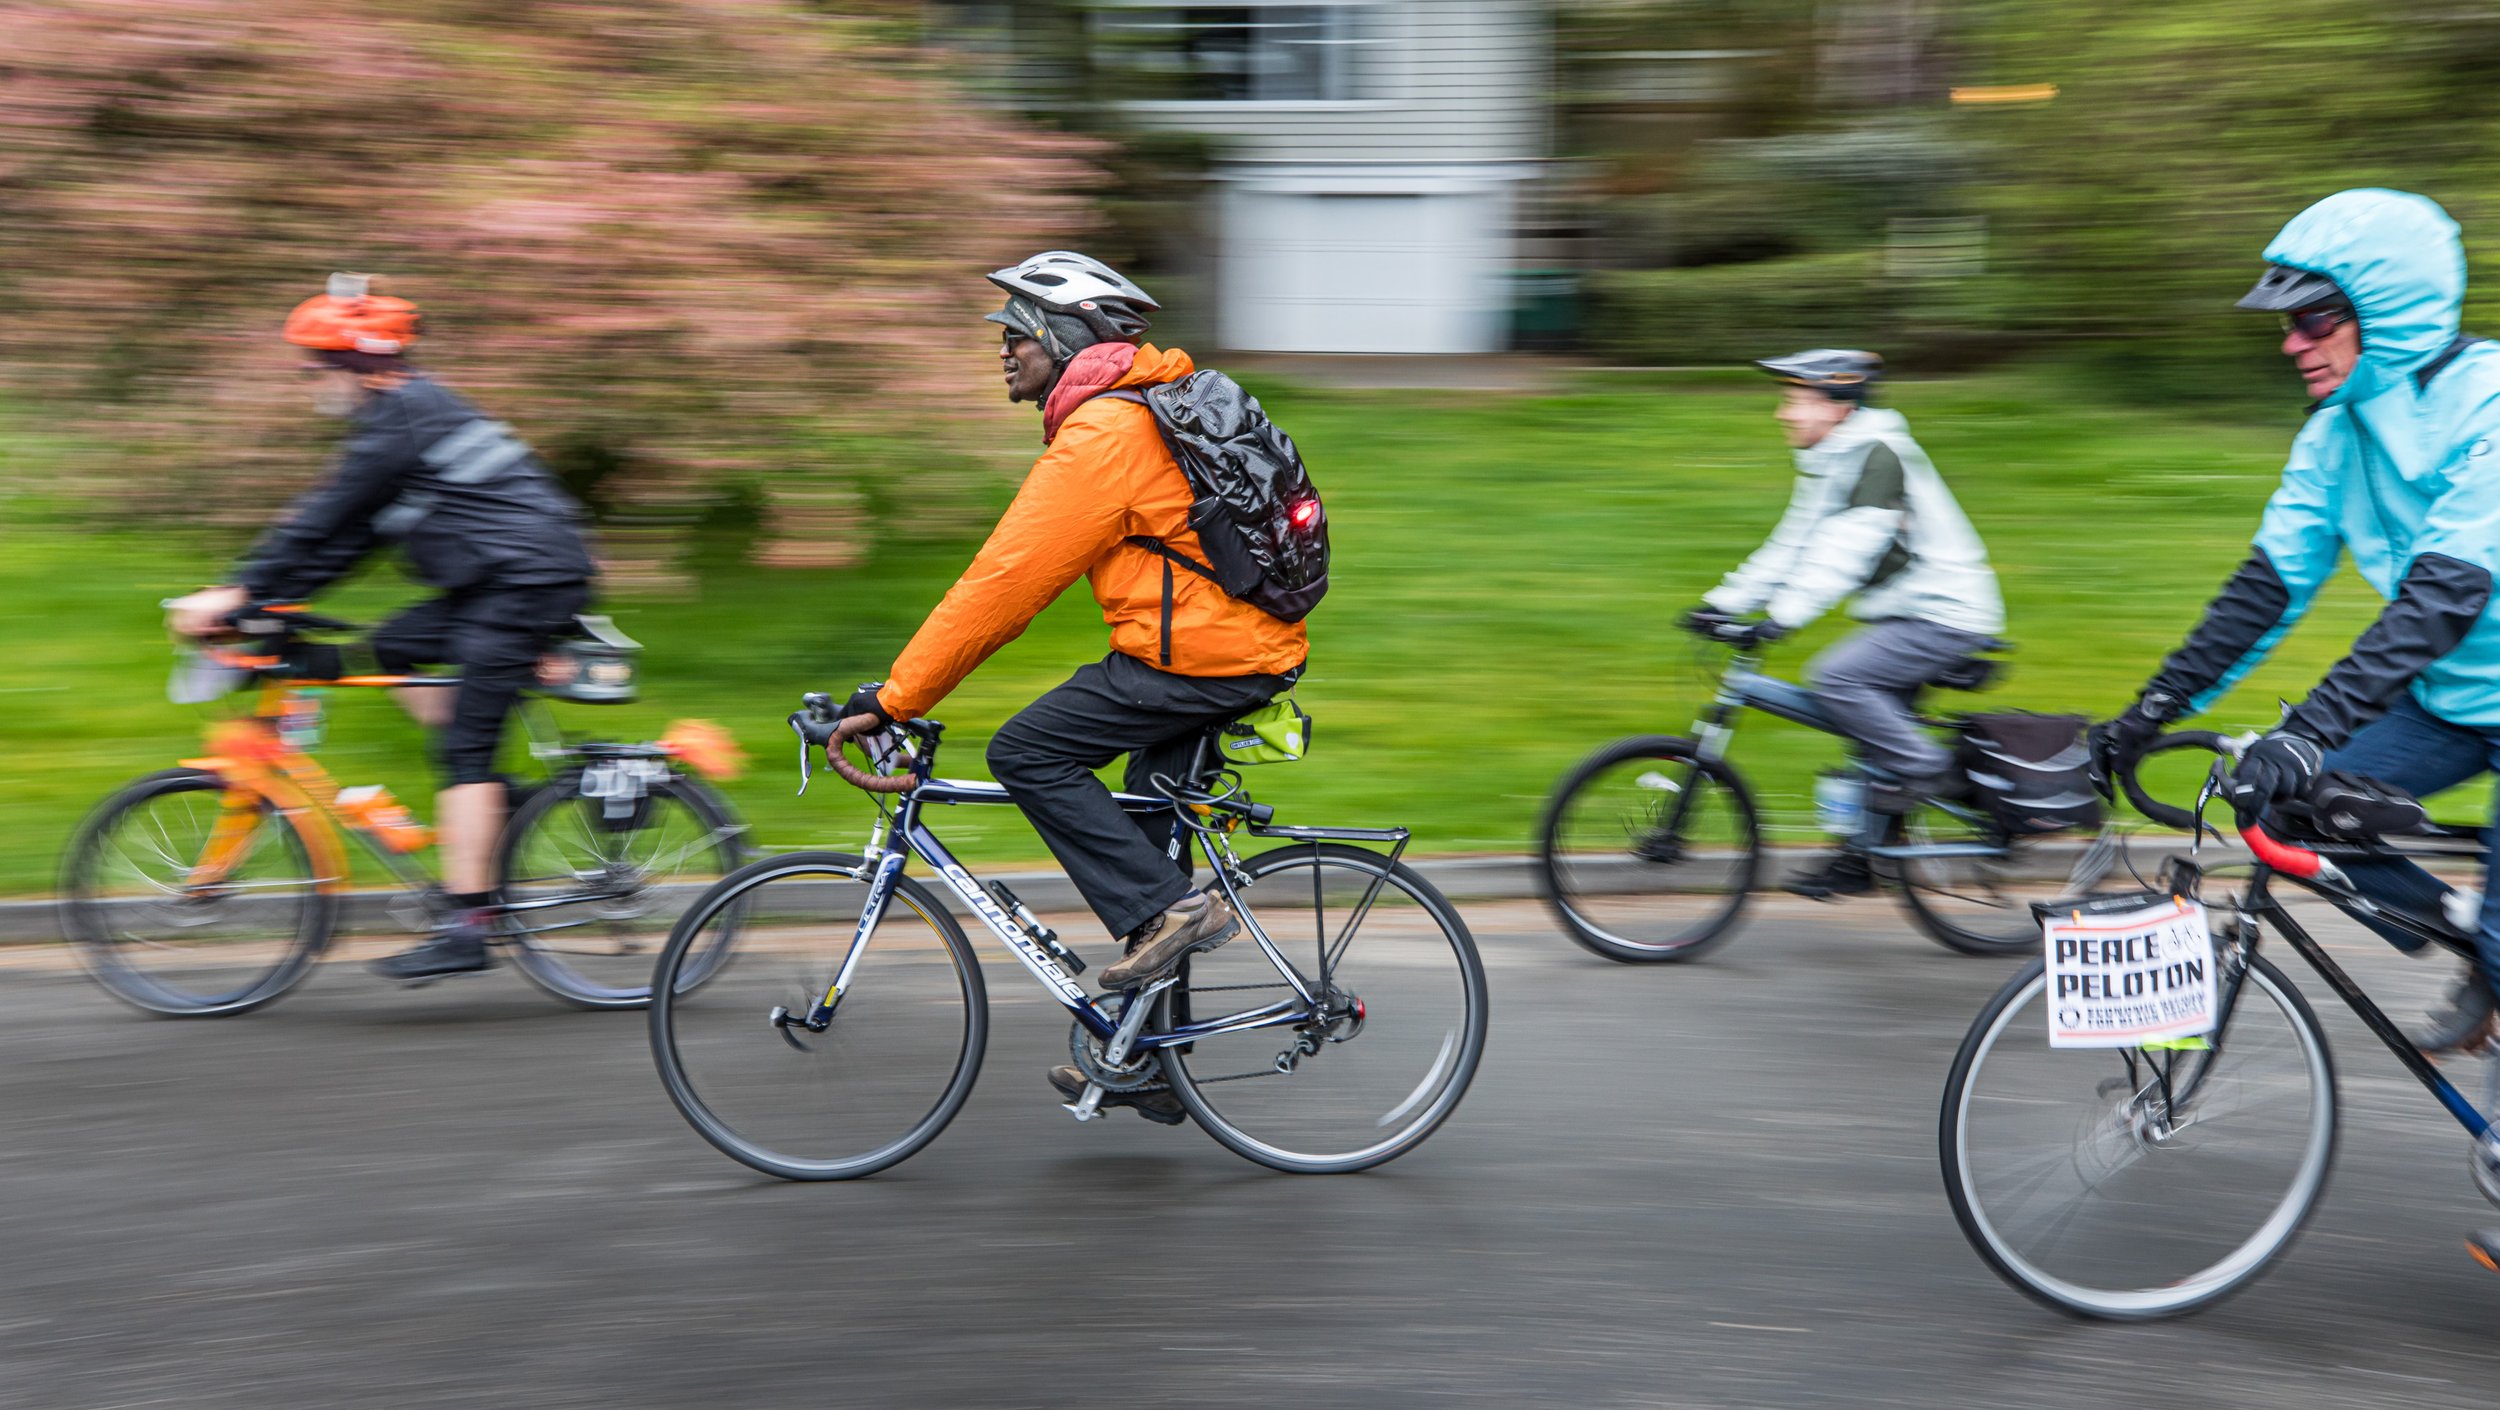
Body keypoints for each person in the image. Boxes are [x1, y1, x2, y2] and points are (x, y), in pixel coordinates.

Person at [831, 251, 1306, 1123]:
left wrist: (898, 698)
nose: (1004, 349)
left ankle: (1170, 920)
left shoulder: (1106, 435)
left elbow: (1002, 587)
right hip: (1232, 649)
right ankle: (1152, 1061)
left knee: (1028, 750)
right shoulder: (1136, 414)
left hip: (1204, 660)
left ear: (1065, 336)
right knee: (1148, 837)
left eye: (1017, 332)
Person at [2095, 189, 2500, 1065]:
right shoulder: (2334, 433)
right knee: (2282, 806)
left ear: (2387, 313)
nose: (2291, 342)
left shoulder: (2489, 406)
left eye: (2314, 319)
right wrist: (2149, 708)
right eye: (2287, 323)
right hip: (2451, 697)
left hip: (2451, 657)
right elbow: (2265, 589)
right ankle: (2470, 936)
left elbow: (2444, 597)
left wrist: (2310, 731)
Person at [166, 274, 597, 982]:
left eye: (317, 362)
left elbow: (324, 515)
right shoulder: (404, 421)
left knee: (465, 751)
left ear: (355, 363)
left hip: (525, 585)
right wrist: (261, 606)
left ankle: (468, 925)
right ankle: (496, 804)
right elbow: (350, 538)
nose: (309, 377)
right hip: (497, 580)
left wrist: (236, 591)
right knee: (385, 649)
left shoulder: (403, 421)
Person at [1695, 349, 2006, 900]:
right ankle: (1861, 859)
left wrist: (1781, 619)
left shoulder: (1877, 454)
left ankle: (1932, 771)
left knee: (1837, 678)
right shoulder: (1834, 459)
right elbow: (1792, 543)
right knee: (1864, 725)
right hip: (1908, 613)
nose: (1783, 414)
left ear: (1836, 405)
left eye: (1795, 401)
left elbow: (1849, 548)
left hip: (1946, 614)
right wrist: (1722, 602)